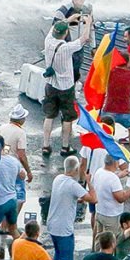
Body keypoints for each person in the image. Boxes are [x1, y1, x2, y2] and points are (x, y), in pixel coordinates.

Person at [41, 18, 92, 156]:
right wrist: (88, 22)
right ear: (66, 33)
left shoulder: (48, 40)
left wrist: (69, 19)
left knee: (49, 115)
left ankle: (45, 145)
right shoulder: (66, 48)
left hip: (51, 84)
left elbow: (54, 26)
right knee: (68, 117)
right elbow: (85, 38)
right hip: (66, 87)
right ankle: (65, 147)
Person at [47, 155, 95, 260]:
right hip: (64, 229)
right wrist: (88, 182)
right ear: (75, 169)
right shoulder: (73, 185)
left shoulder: (58, 179)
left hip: (52, 225)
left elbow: (69, 195)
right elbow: (94, 199)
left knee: (58, 256)